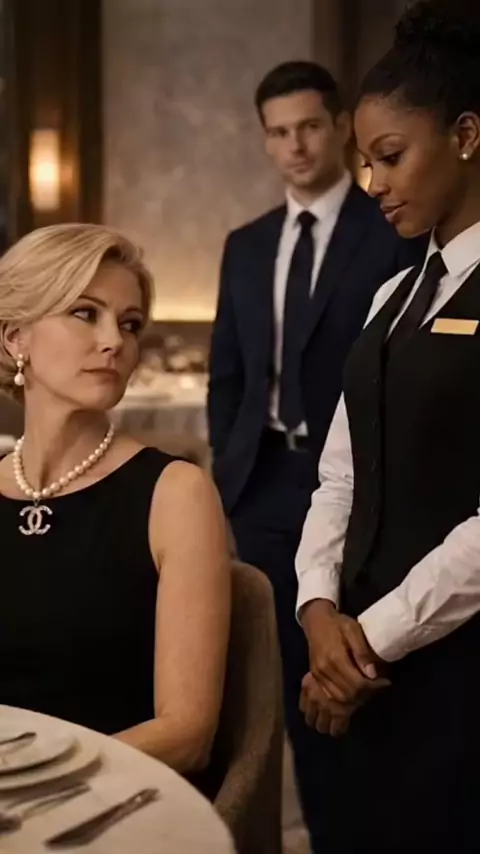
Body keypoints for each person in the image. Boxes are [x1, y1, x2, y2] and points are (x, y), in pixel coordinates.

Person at [207, 59, 427, 850]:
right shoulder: (245, 245)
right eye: (278, 132)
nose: (294, 146)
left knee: (346, 679)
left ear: (339, 129)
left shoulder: (394, 228)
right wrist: (228, 473)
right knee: (271, 691)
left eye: (307, 127)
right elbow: (227, 375)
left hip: (359, 489)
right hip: (262, 485)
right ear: (264, 141)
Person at [296, 1, 480, 851]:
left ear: (467, 136)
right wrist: (317, 607)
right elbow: (341, 473)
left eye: (391, 157)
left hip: (453, 671)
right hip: (357, 664)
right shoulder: (392, 293)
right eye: (366, 162)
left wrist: (372, 638)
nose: (372, 184)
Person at [0, 223, 230, 777]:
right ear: (15, 338)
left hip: (111, 797)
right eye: (86, 313)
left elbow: (186, 735)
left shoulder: (176, 494)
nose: (115, 342)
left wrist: (23, 779)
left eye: (129, 324)